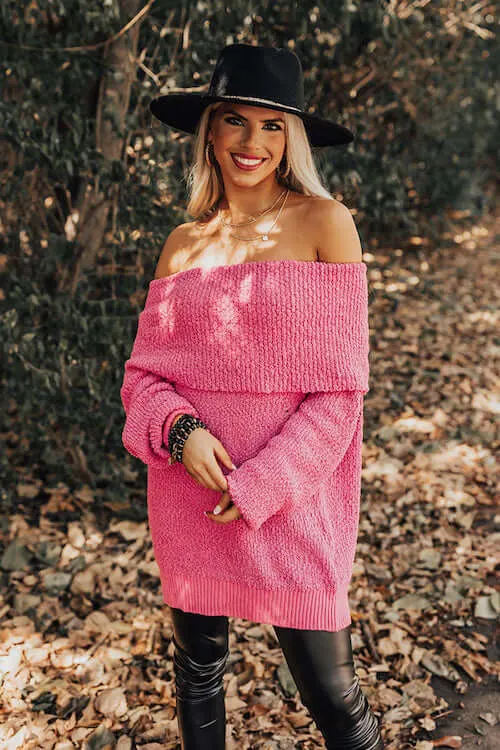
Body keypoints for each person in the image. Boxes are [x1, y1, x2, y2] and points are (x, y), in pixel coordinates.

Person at [120, 43, 384, 749]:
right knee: (198, 672)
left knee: (334, 698)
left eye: (273, 126)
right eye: (235, 120)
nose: (252, 142)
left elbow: (339, 396)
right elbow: (144, 377)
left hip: (294, 503)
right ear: (209, 129)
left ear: (292, 138)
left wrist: (264, 482)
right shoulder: (182, 243)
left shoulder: (326, 222)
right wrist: (181, 432)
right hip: (191, 498)